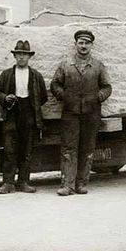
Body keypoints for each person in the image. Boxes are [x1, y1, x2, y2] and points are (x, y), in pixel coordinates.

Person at [50, 30, 112, 196]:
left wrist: (97, 97)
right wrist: (65, 97)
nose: (83, 46)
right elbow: (55, 85)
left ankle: (81, 183)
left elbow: (107, 87)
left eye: (87, 43)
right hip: (71, 113)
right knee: (69, 149)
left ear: (91, 45)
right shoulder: (66, 65)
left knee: (87, 147)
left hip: (91, 113)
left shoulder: (98, 66)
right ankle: (67, 185)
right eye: (80, 43)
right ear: (76, 44)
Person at [0, 40, 48, 194]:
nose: (22, 57)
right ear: (15, 56)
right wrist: (5, 98)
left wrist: (33, 105)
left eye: (24, 55)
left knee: (26, 150)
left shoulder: (36, 76)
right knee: (10, 149)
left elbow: (43, 96)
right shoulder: (6, 74)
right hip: (12, 114)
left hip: (29, 114)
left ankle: (24, 182)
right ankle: (8, 183)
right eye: (19, 55)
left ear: (29, 57)